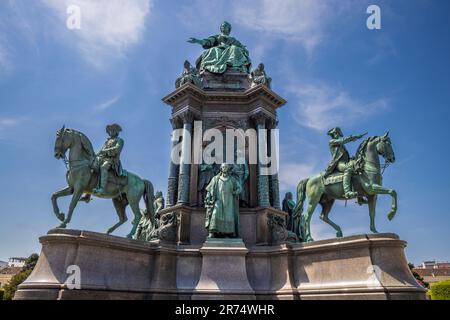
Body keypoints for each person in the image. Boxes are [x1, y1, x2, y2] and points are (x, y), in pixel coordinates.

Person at [325, 127, 366, 199]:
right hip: (339, 164)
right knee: (348, 169)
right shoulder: (332, 142)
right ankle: (347, 192)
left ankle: (360, 197)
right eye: (336, 133)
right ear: (333, 134)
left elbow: (344, 154)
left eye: (338, 133)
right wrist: (353, 137)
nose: (337, 135)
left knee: (358, 167)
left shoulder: (341, 145)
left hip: (346, 162)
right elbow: (342, 140)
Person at [205, 164, 242, 238]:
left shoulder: (232, 179)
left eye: (226, 167)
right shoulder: (215, 179)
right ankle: (212, 232)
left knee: (229, 216)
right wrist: (208, 196)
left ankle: (228, 233)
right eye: (223, 167)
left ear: (228, 169)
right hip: (218, 200)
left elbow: (239, 188)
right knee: (215, 213)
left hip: (229, 201)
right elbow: (209, 189)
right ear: (221, 169)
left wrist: (236, 192)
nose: (225, 168)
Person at [93, 124, 126, 195]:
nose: (111, 132)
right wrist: (95, 155)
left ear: (116, 131)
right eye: (110, 130)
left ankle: (102, 188)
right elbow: (101, 150)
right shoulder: (107, 141)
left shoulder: (120, 140)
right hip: (103, 158)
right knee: (93, 165)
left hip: (112, 160)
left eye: (113, 130)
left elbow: (117, 149)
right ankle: (88, 193)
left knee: (103, 167)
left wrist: (105, 150)